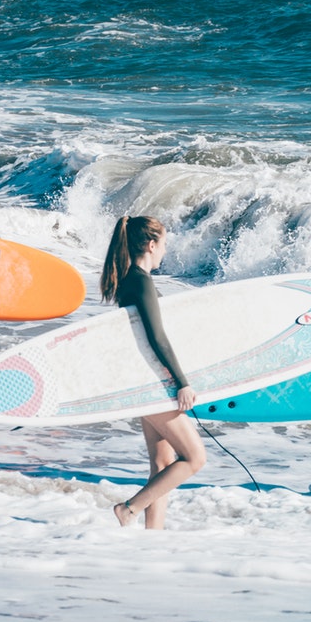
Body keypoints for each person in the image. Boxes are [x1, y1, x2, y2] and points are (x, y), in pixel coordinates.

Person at [101, 216, 206, 530]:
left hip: (143, 380)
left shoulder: (130, 279)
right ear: (150, 245)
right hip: (153, 384)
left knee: (162, 463)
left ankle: (153, 537)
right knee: (195, 458)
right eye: (163, 244)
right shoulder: (141, 281)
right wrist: (182, 383)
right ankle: (128, 509)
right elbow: (157, 337)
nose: (164, 251)